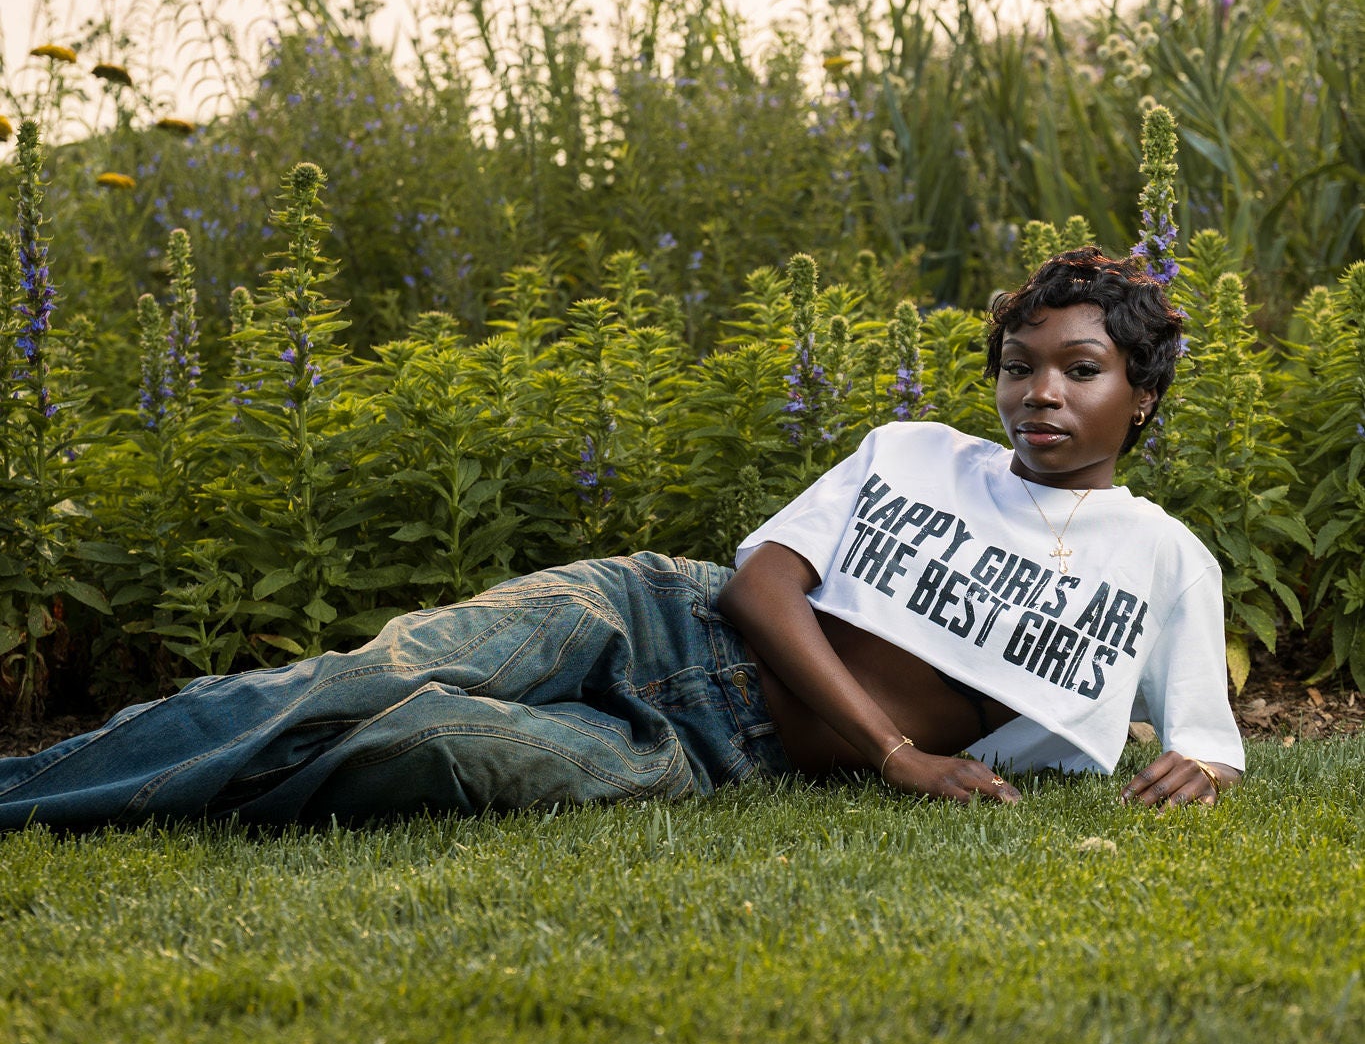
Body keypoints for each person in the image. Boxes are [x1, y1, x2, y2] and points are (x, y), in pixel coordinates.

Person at [0, 249, 1241, 833]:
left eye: (1082, 369)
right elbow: (761, 588)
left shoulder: (1163, 557)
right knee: (358, 678)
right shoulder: (915, 451)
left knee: (428, 743)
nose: (1040, 392)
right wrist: (894, 751)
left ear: (1142, 393)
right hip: (657, 617)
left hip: (708, 751)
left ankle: (171, 800)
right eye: (1020, 365)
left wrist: (1201, 766)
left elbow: (1204, 738)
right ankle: (27, 796)